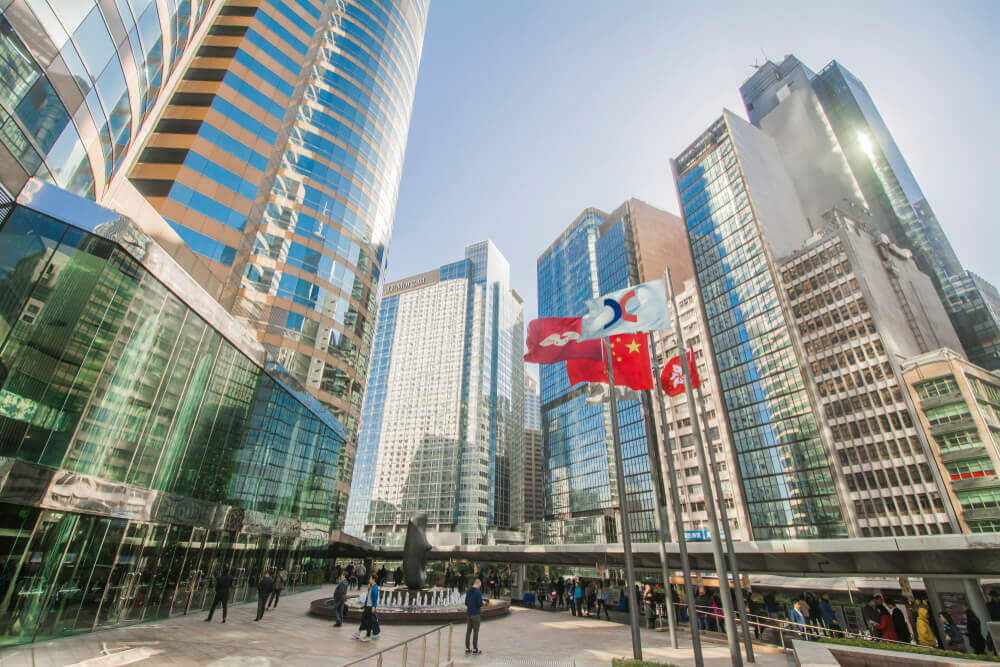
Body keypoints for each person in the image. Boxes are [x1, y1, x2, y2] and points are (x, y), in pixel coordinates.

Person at [353, 573, 380, 641]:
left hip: (370, 607)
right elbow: (367, 597)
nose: (369, 580)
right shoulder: (371, 587)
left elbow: (375, 598)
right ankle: (358, 633)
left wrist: (374, 606)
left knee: (368, 622)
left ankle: (368, 636)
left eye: (370, 579)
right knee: (364, 620)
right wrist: (365, 604)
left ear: (373, 579)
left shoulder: (375, 588)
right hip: (367, 607)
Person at [465, 577, 483, 655]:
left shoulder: (468, 591)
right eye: (480, 585)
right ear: (478, 584)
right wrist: (483, 604)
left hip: (469, 613)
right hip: (476, 614)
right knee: (476, 631)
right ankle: (475, 649)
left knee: (468, 631)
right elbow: (479, 604)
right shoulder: (478, 592)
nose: (480, 586)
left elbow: (466, 602)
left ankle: (467, 648)